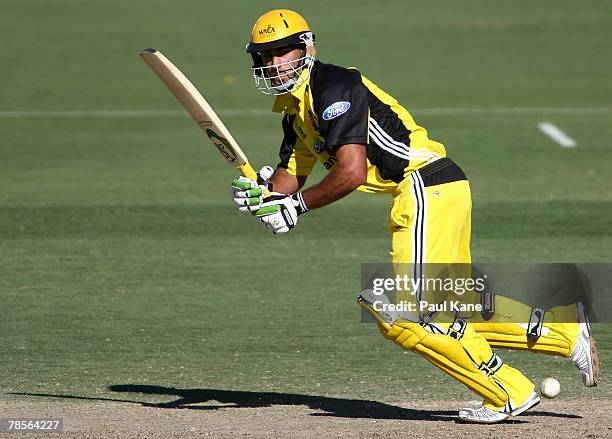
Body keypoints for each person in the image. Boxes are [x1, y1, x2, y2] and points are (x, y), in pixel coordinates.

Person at [231, 9, 599, 423]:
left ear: (307, 48)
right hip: (439, 189)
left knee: (406, 309)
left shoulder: (333, 85)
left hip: (425, 185)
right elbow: (291, 175)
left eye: (283, 52)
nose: (274, 63)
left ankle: (507, 391)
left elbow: (349, 172)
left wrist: (295, 207)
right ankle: (563, 333)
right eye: (265, 56)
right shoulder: (296, 113)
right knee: (446, 303)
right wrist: (263, 196)